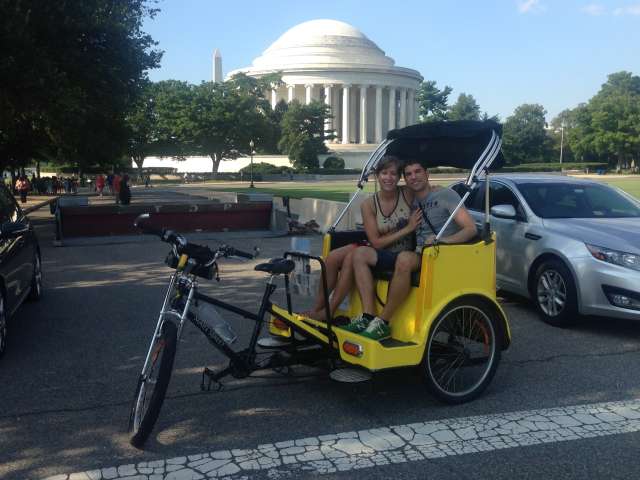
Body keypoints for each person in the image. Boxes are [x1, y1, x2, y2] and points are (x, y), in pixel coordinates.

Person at [350, 159, 478, 341]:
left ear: (427, 174)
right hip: (420, 253)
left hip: (441, 254)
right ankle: (368, 316)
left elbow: (471, 229)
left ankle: (382, 323)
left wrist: (442, 241)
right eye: (408, 174)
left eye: (418, 171)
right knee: (360, 254)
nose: (413, 177)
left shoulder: (445, 195)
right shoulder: (411, 198)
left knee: (404, 259)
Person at [306, 156, 420, 321]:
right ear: (377, 176)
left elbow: (425, 189)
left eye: (394, 174)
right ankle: (318, 309)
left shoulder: (407, 194)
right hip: (376, 247)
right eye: (384, 173)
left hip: (395, 251)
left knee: (352, 257)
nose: (389, 178)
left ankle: (330, 310)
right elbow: (376, 242)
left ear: (399, 177)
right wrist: (407, 228)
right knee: (331, 258)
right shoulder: (369, 204)